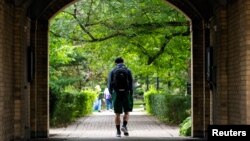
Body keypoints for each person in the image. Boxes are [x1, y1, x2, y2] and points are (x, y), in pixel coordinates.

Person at [108, 57, 133, 137]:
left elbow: (109, 85)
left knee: (117, 113)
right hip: (126, 93)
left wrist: (112, 94)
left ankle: (118, 132)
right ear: (123, 62)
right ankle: (124, 126)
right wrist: (130, 93)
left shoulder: (112, 71)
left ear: (115, 63)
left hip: (116, 93)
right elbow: (131, 83)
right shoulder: (128, 70)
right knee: (126, 112)